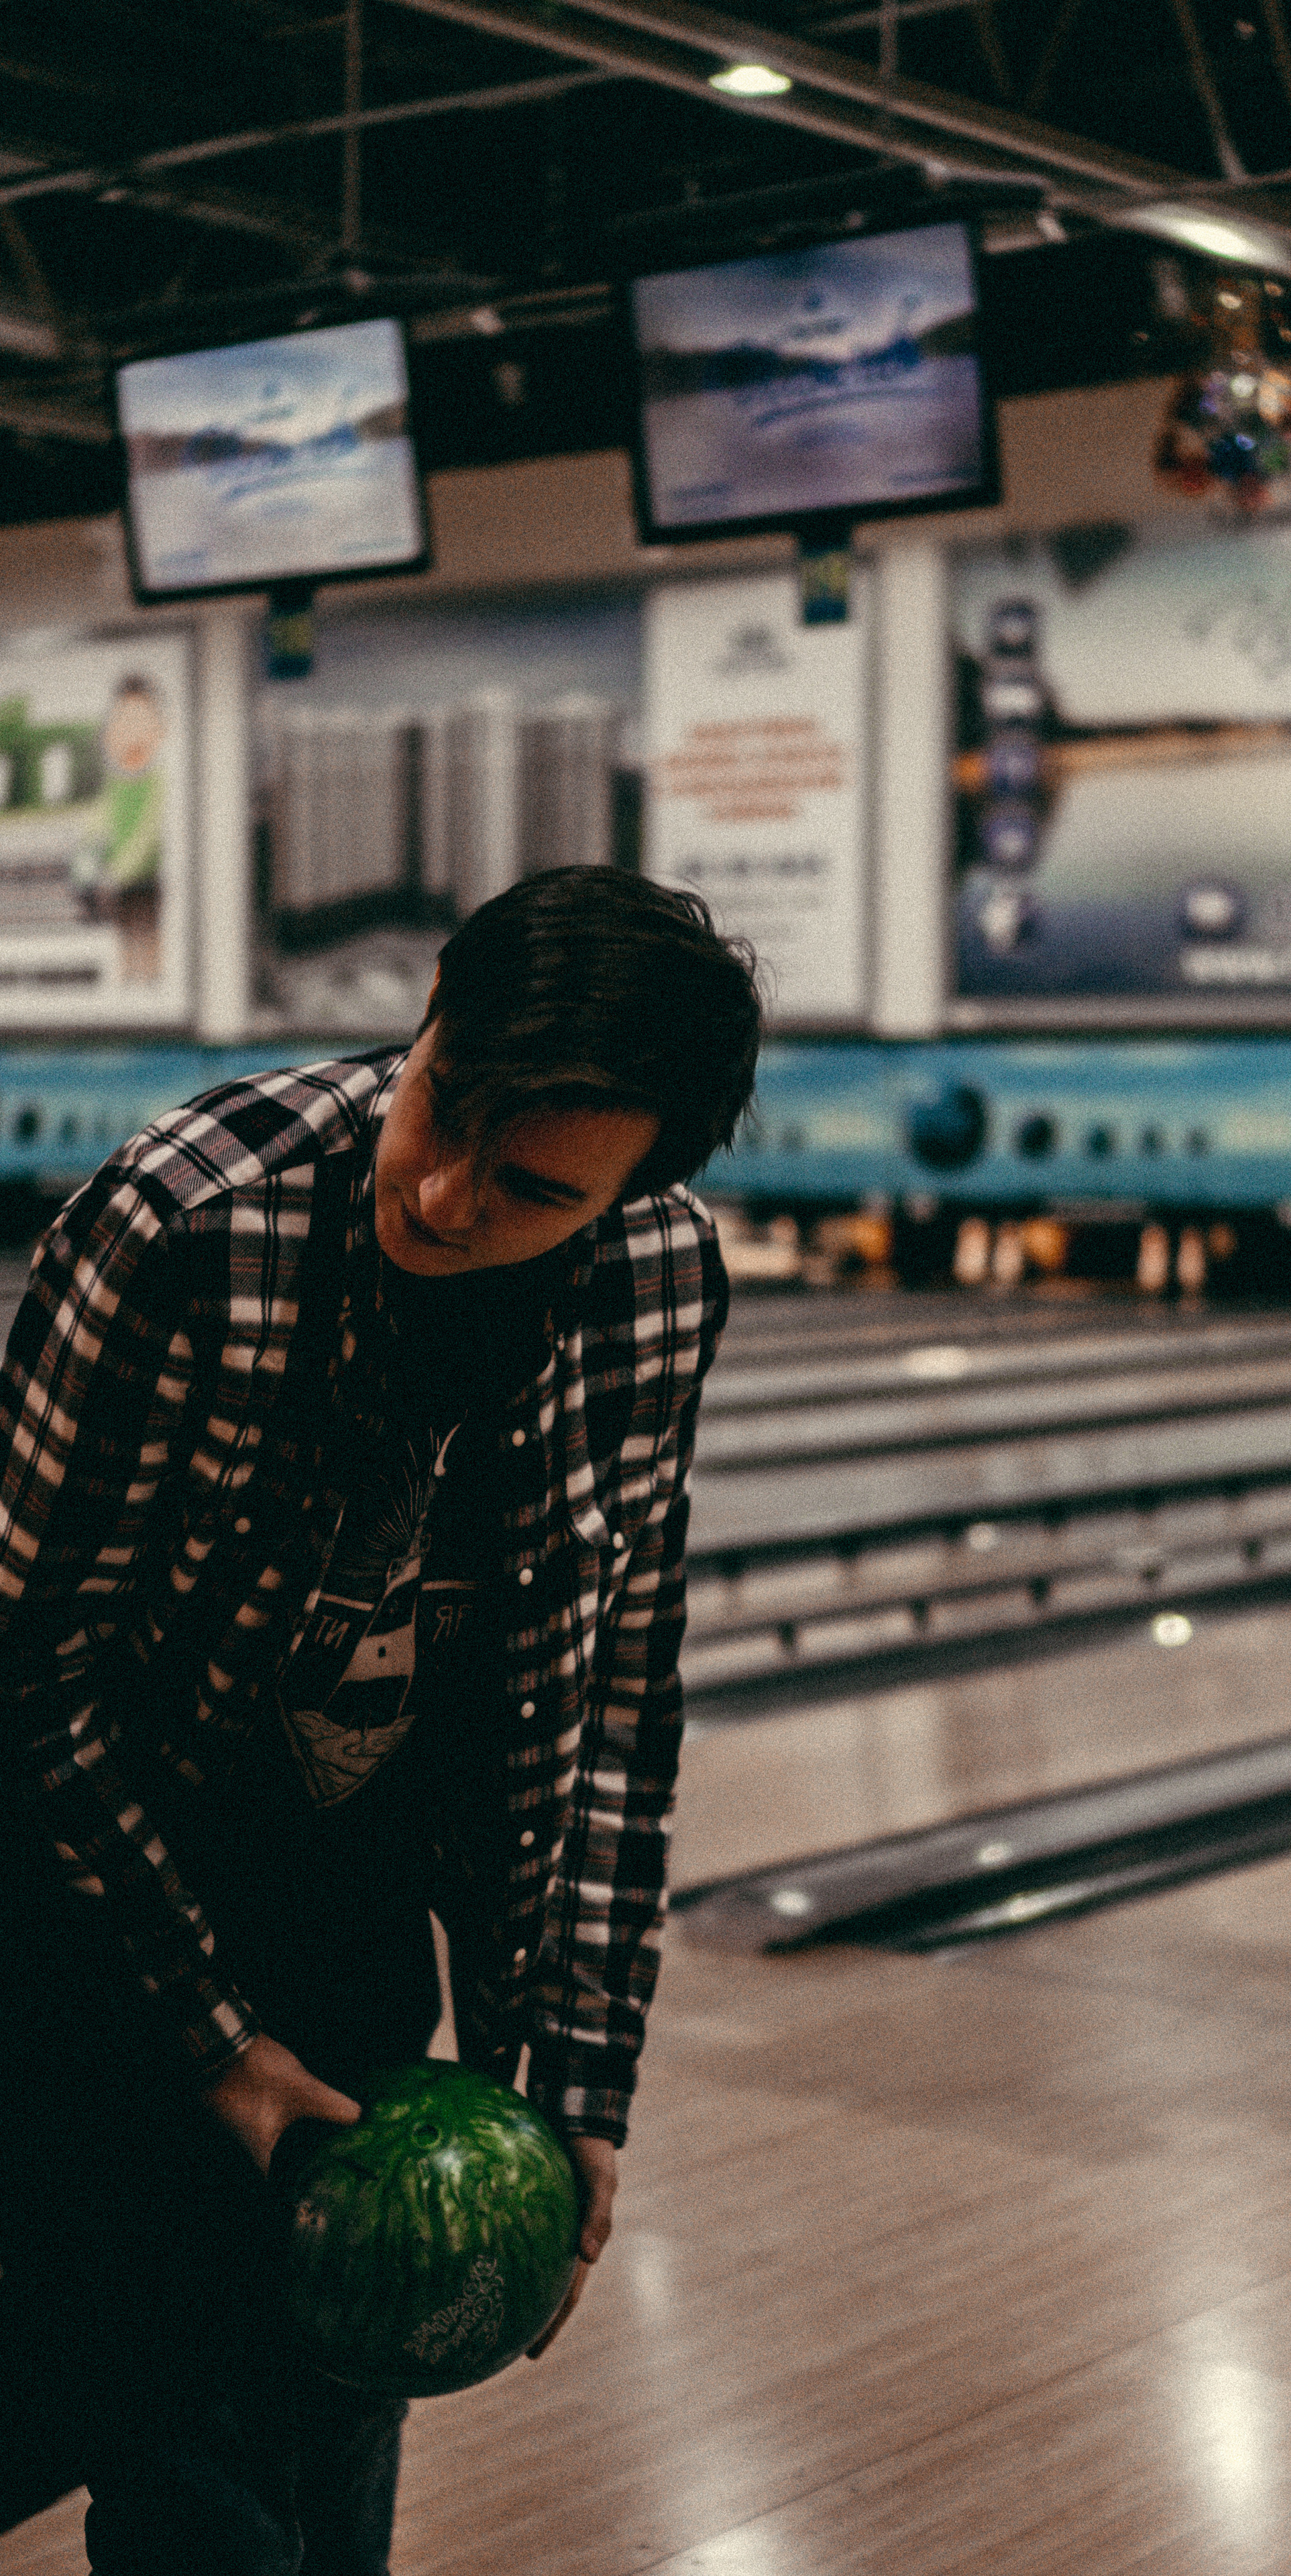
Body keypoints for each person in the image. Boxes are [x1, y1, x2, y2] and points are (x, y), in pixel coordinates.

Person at [0, 864, 761, 2575]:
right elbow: (25, 1662)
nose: (439, 1188)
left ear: (640, 1189)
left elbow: (615, 1693)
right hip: (73, 1867)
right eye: (442, 1104)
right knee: (168, 2437)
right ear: (425, 1010)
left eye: (528, 1183)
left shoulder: (657, 1289)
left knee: (319, 2452)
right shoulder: (185, 1223)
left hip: (347, 1909)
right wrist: (205, 2035)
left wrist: (579, 2066)